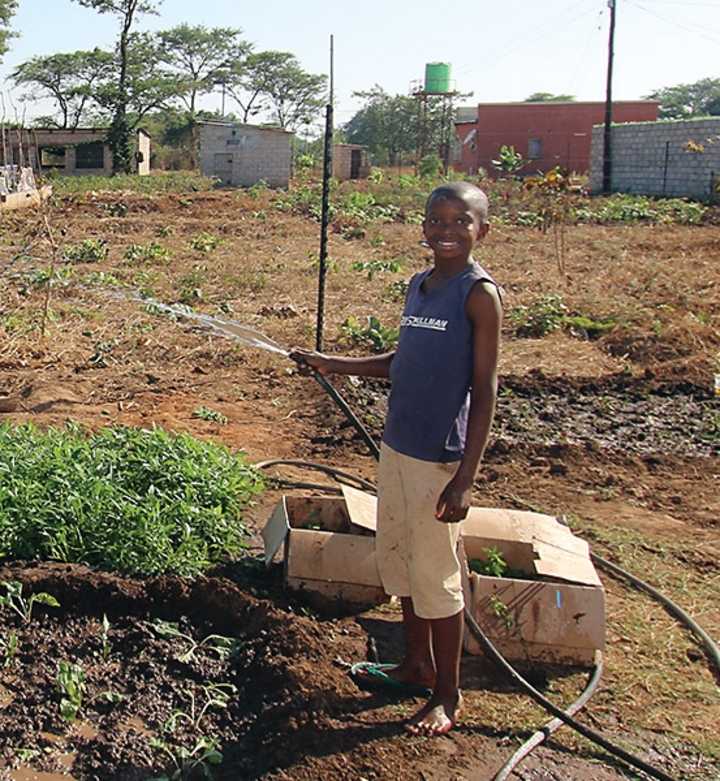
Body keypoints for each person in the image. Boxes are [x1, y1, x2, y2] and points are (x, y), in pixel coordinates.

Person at [292, 181, 502, 736]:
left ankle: (447, 695)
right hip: (398, 448)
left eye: (462, 221)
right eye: (438, 220)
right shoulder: (422, 286)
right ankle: (414, 664)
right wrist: (330, 363)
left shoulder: (478, 295)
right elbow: (400, 361)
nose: (448, 231)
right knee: (403, 564)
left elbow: (485, 390)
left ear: (484, 229)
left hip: (438, 460)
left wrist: (464, 480)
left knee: (437, 576)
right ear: (423, 227)